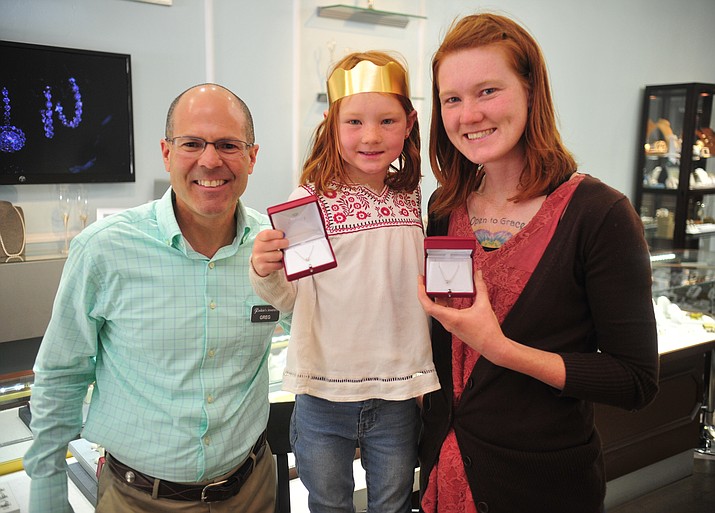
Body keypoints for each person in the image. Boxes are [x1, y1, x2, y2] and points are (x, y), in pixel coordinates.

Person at [415, 13, 659, 513]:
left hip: (541, 484)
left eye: (488, 91)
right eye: (452, 99)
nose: (468, 115)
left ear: (531, 91)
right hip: (444, 471)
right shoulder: (444, 206)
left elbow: (634, 380)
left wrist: (500, 349)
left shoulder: (599, 214)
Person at [23, 83, 287, 513]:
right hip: (138, 500)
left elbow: (311, 336)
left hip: (252, 490)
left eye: (227, 144)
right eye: (192, 144)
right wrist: (47, 485)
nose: (210, 160)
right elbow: (61, 373)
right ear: (166, 153)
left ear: (252, 157)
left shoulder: (273, 247)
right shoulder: (104, 249)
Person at [249, 51, 440, 513]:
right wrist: (264, 271)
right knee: (328, 504)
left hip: (397, 392)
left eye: (387, 121)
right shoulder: (308, 200)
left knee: (393, 504)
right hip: (321, 392)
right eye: (354, 122)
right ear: (332, 123)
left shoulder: (415, 197)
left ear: (410, 122)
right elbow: (289, 298)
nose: (370, 136)